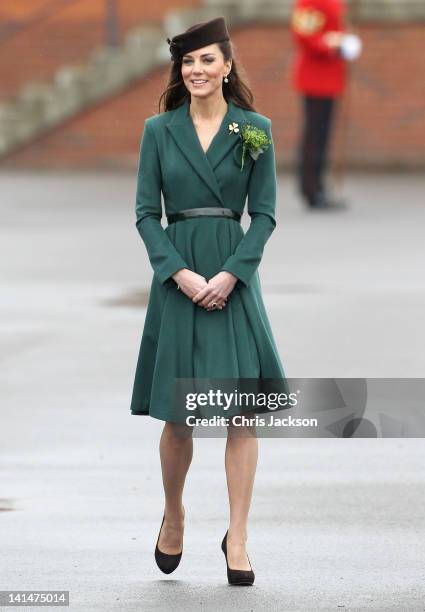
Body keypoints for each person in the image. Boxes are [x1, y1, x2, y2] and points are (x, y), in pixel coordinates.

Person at [129, 16, 289, 586]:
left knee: (240, 414)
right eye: (187, 62)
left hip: (233, 278)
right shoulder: (158, 130)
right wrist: (180, 274)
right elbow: (147, 214)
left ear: (227, 66)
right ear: (181, 70)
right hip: (179, 281)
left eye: (207, 61)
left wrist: (230, 275)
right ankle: (173, 518)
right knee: (179, 416)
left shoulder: (257, 129)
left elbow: (265, 213)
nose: (196, 71)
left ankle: (238, 537)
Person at [291, 0, 351, 210]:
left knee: (322, 136)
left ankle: (318, 185)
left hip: (330, 77)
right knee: (315, 135)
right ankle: (311, 188)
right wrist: (333, 44)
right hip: (316, 77)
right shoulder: (310, 2)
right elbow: (305, 36)